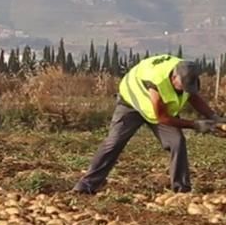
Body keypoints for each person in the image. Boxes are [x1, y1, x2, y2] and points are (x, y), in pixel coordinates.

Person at [74, 55, 222, 194]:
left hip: (161, 110)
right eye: (182, 86)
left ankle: (181, 190)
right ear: (174, 77)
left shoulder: (186, 72)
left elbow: (193, 97)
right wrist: (196, 125)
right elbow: (162, 117)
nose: (184, 89)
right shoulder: (157, 81)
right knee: (114, 142)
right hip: (132, 105)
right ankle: (87, 184)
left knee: (177, 142)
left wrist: (214, 117)